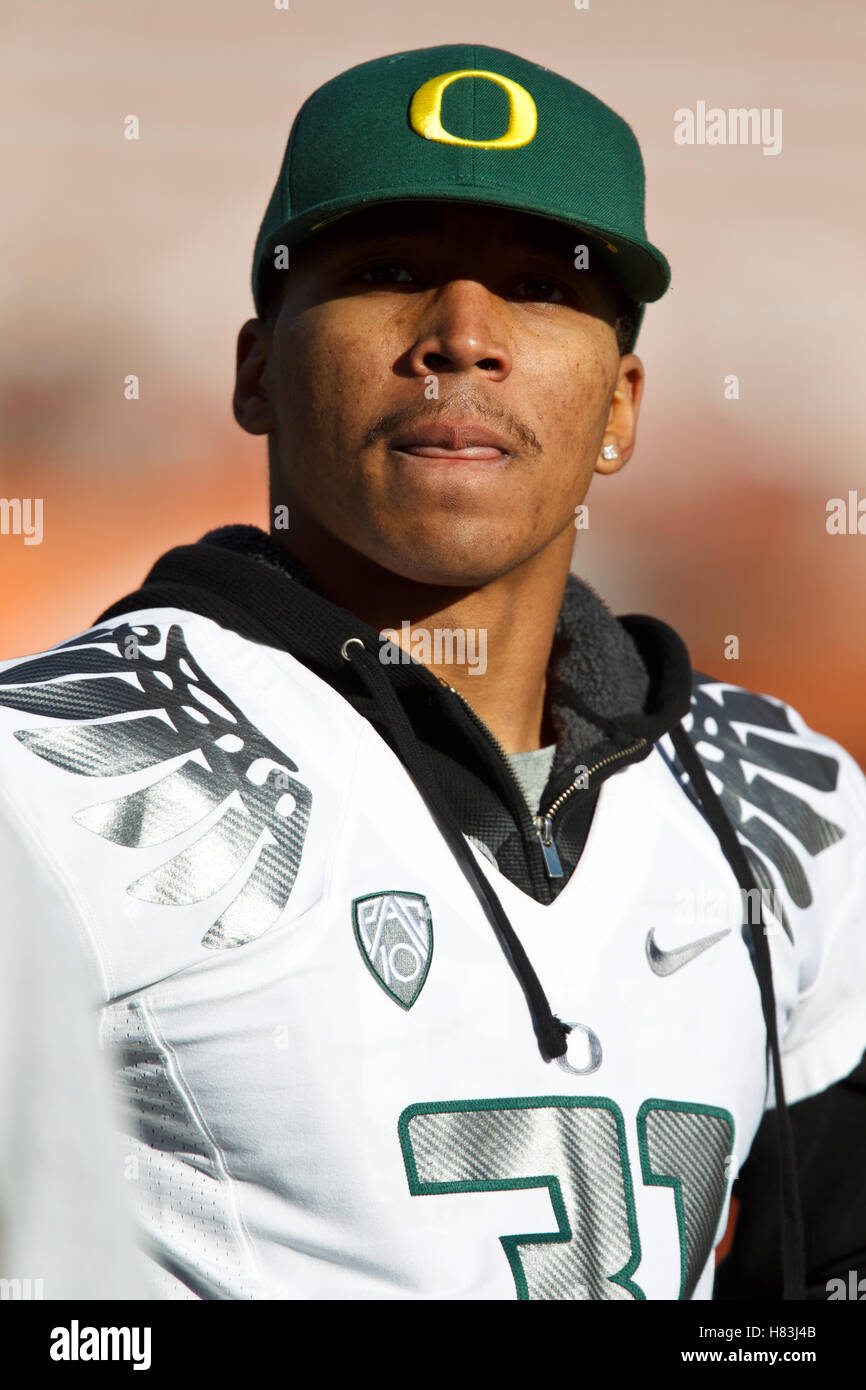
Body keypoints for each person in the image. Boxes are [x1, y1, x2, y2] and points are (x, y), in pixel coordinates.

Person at [0, 42, 864, 1302]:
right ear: (255, 369)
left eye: (536, 286)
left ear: (622, 404)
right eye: (387, 272)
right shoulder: (44, 777)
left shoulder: (785, 809)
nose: (462, 336)